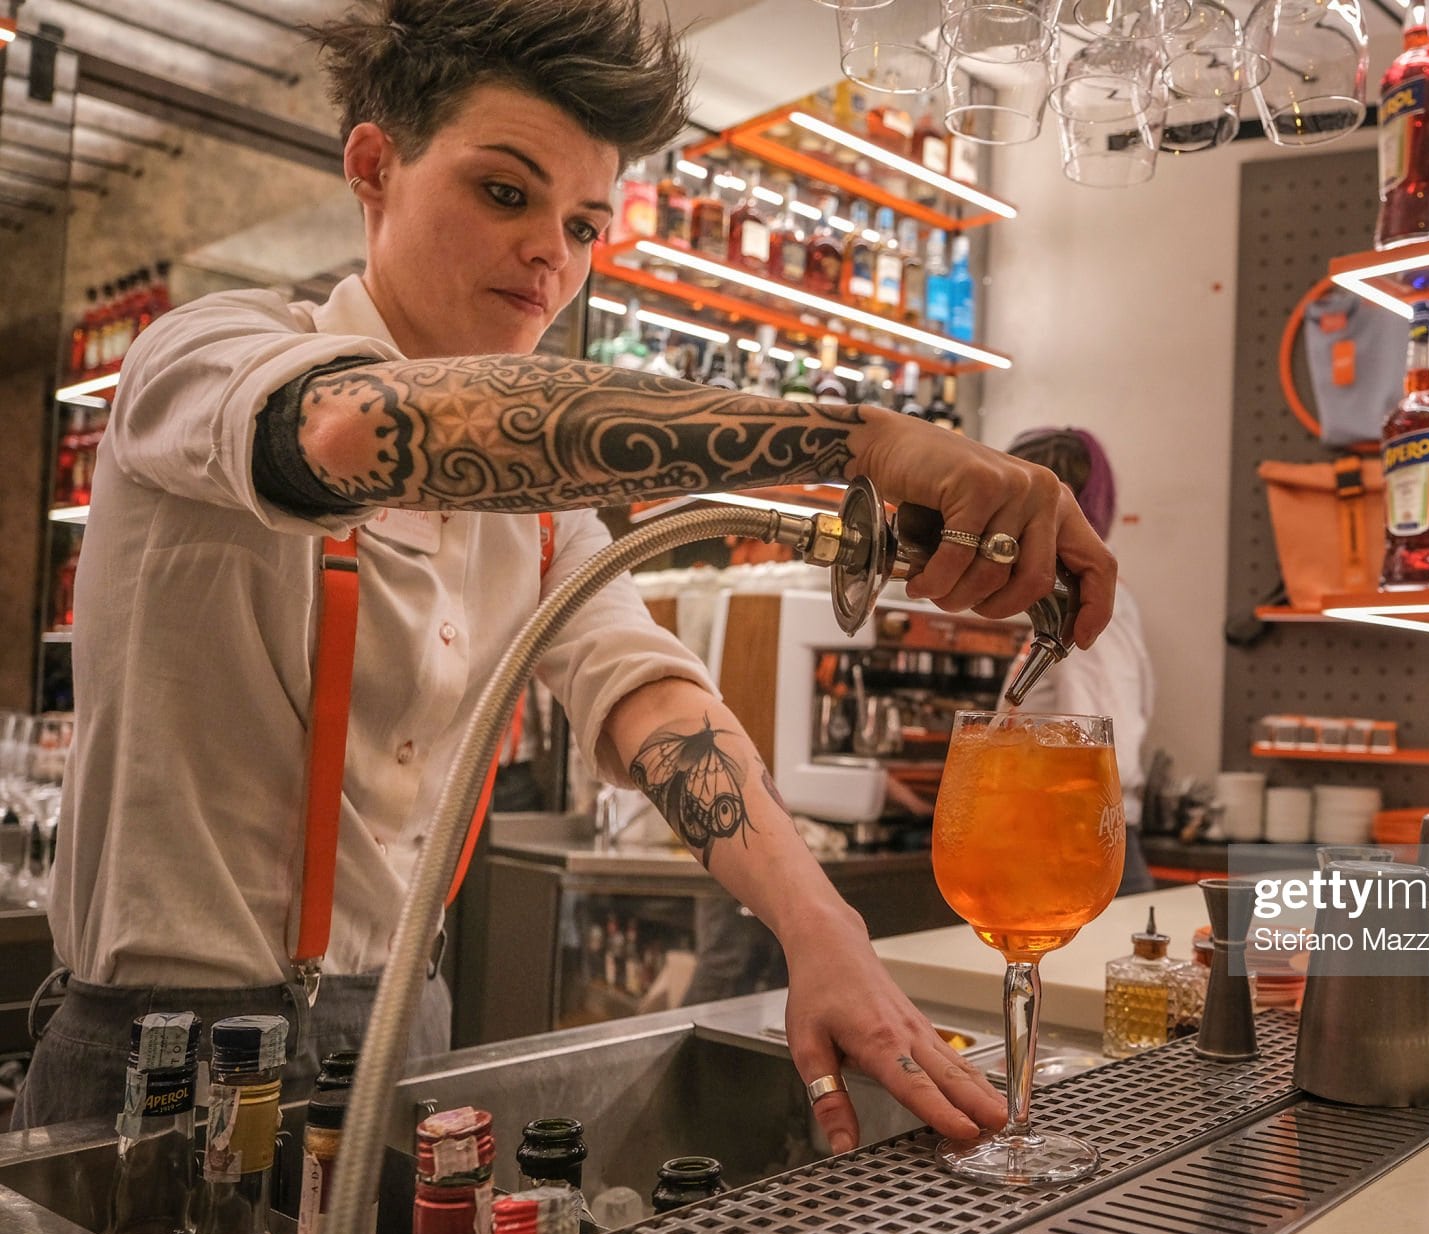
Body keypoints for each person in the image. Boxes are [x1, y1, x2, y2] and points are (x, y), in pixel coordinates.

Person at [15, 0, 1117, 1159]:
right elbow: (353, 433)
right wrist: (845, 439)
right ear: (373, 166)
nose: (554, 252)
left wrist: (820, 928)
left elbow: (652, 702)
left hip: (399, 1033)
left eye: (586, 223)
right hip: (158, 1058)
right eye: (506, 193)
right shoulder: (204, 353)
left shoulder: (540, 514)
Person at [1006, 428, 1155, 896]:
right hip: (1065, 837)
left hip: (1078, 843)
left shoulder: (1080, 605)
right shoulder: (1058, 601)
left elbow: (1101, 746)